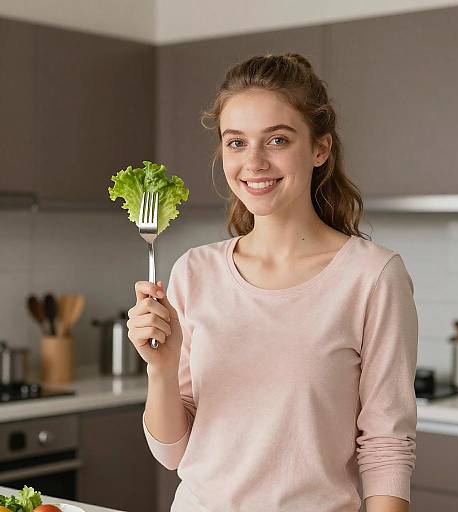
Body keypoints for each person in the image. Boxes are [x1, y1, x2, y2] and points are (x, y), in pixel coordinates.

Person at [127, 53, 418, 512]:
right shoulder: (193, 271)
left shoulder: (372, 276)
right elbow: (172, 453)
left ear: (320, 149)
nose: (254, 162)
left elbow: (386, 446)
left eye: (277, 140)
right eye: (236, 143)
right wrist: (159, 370)